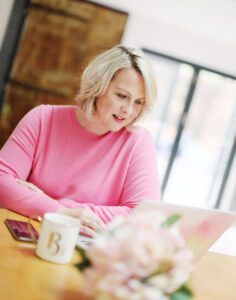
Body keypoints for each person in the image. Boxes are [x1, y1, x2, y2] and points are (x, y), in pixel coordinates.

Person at [0, 45, 160, 236]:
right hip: (26, 238)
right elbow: (2, 180)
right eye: (122, 96)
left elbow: (144, 216)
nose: (128, 110)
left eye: (138, 102)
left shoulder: (138, 142)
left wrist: (57, 207)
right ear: (97, 86)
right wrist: (61, 212)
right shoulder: (43, 119)